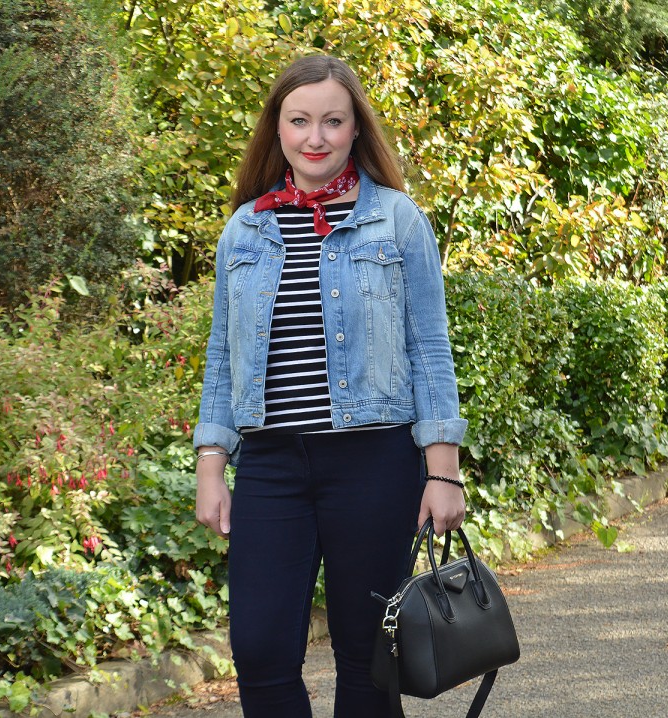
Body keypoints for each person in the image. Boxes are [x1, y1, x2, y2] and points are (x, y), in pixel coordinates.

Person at [193, 54, 467, 718]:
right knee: (258, 650)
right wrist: (210, 461)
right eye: (300, 121)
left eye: (332, 121)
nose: (315, 138)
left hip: (373, 463)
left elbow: (429, 349)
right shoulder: (246, 230)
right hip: (271, 466)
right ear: (277, 129)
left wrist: (444, 471)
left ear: (354, 129)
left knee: (367, 659)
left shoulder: (396, 220)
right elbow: (223, 359)